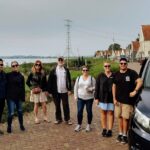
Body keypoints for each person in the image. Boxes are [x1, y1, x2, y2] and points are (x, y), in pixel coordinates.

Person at [112, 57, 143, 144]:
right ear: (119, 64)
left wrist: (135, 91)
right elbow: (114, 86)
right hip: (118, 101)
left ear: (127, 64)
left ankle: (125, 135)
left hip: (127, 101)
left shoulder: (132, 73)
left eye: (124, 63)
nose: (123, 65)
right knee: (119, 118)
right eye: (121, 63)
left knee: (125, 118)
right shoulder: (116, 74)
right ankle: (120, 134)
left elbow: (140, 81)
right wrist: (114, 98)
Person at [47, 57, 72, 125]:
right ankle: (58, 119)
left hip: (64, 91)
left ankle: (67, 119)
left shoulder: (66, 70)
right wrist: (49, 92)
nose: (60, 61)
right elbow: (50, 81)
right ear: (57, 61)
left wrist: (69, 89)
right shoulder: (53, 70)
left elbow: (69, 80)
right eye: (59, 60)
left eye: (62, 60)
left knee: (65, 105)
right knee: (57, 106)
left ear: (63, 61)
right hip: (56, 91)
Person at [95, 62, 114, 137]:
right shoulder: (100, 75)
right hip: (102, 97)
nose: (107, 67)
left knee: (110, 113)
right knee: (103, 113)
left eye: (108, 66)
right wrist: (96, 97)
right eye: (106, 66)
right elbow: (97, 87)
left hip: (111, 98)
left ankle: (110, 130)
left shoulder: (114, 75)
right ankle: (104, 129)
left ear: (110, 66)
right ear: (103, 67)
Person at [74, 65, 95, 132]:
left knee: (89, 111)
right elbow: (75, 87)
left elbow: (95, 87)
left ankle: (88, 125)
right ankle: (79, 125)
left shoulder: (91, 78)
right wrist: (75, 96)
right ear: (82, 71)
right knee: (79, 111)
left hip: (89, 98)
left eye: (86, 70)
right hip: (80, 98)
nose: (85, 71)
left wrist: (90, 89)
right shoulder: (79, 78)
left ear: (88, 71)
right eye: (84, 70)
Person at [6, 61, 25, 133]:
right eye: (13, 66)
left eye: (16, 65)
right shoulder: (8, 75)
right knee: (11, 113)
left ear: (18, 66)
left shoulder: (21, 76)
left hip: (19, 97)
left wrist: (23, 98)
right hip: (10, 97)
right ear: (11, 67)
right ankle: (9, 126)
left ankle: (21, 125)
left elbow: (23, 87)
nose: (15, 67)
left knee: (20, 111)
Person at [0, 59, 7, 135]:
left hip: (2, 98)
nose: (0, 66)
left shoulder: (4, 74)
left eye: (1, 64)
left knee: (0, 113)